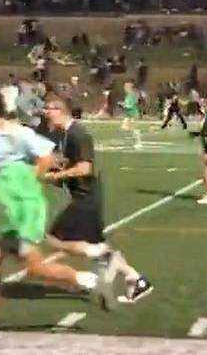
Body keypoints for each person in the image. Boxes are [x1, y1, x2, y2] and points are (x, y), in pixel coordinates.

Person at [0, 86, 113, 346]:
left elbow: (46, 156)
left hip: (27, 209)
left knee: (29, 266)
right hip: (6, 211)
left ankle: (86, 279)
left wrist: (31, 178)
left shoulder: (18, 134)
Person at [40, 98, 154, 305]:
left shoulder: (78, 134)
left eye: (48, 108)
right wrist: (55, 171)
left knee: (53, 239)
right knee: (99, 244)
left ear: (60, 111)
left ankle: (94, 272)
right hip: (84, 195)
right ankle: (137, 279)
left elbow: (85, 169)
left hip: (86, 197)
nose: (44, 111)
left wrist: (54, 177)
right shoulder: (66, 134)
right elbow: (70, 165)